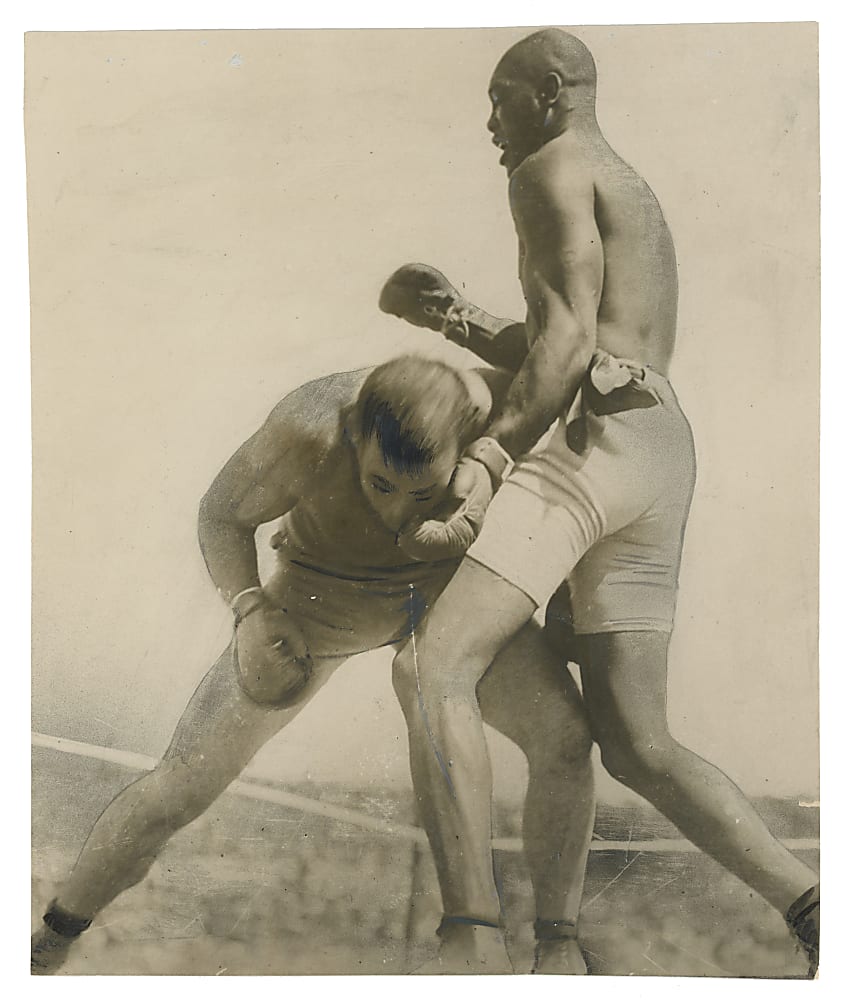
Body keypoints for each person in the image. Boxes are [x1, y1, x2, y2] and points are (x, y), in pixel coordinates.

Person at [381, 27, 819, 978]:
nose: (487, 119)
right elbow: (585, 340)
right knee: (637, 741)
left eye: (499, 95)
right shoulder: (624, 183)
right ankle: (806, 901)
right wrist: (452, 315)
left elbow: (569, 349)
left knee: (433, 664)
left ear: (550, 90)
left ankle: (470, 942)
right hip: (659, 446)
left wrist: (489, 459)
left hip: (594, 442)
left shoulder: (546, 168)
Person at [31, 352, 595, 976]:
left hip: (447, 595)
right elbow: (221, 514)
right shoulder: (311, 426)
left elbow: (572, 472)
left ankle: (560, 952)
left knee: (567, 738)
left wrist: (567, 593)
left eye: (422, 492)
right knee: (178, 787)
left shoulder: (493, 407)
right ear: (356, 435)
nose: (398, 512)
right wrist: (250, 609)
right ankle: (51, 941)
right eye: (381, 484)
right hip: (319, 598)